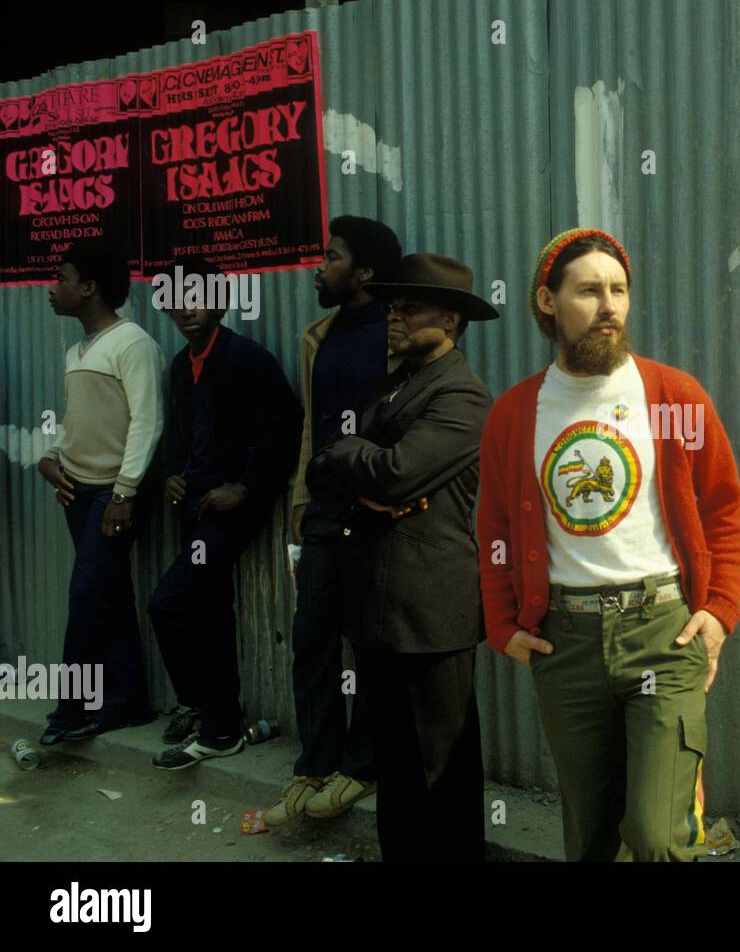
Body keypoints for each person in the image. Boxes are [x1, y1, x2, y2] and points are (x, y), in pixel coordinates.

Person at [476, 228, 740, 861]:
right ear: (547, 302)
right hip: (564, 644)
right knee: (593, 836)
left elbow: (726, 510)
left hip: (662, 634)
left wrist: (719, 611)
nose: (609, 306)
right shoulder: (516, 414)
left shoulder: (673, 398)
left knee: (657, 837)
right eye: (589, 291)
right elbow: (492, 531)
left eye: (619, 290)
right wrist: (499, 622)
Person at [307, 252, 497, 861]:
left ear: (450, 317)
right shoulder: (395, 384)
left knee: (443, 767)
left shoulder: (464, 396)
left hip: (429, 610)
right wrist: (359, 463)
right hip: (377, 606)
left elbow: (394, 475)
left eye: (408, 306)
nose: (394, 314)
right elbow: (325, 468)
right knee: (394, 765)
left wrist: (361, 464)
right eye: (391, 304)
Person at [266, 216, 402, 827]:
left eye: (331, 257)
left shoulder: (399, 333)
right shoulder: (317, 334)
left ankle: (363, 762)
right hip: (323, 512)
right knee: (313, 635)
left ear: (365, 272)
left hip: (377, 513)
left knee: (372, 641)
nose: (319, 268)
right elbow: (312, 425)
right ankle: (315, 761)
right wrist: (300, 497)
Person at [147, 257, 303, 769]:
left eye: (196, 295)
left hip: (230, 511)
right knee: (207, 612)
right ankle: (221, 727)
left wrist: (245, 487)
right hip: (193, 508)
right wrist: (171, 471)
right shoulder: (178, 365)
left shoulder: (245, 359)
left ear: (219, 301)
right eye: (175, 297)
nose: (186, 307)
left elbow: (285, 428)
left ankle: (204, 709)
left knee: (169, 603)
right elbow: (176, 438)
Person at [36, 241, 163, 745]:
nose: (52, 288)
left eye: (61, 278)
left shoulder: (133, 343)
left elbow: (148, 422)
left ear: (88, 288)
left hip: (114, 492)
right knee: (108, 594)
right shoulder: (77, 351)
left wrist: (124, 493)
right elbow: (79, 420)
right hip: (79, 491)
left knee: (87, 593)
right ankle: (127, 703)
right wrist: (52, 458)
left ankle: (71, 710)